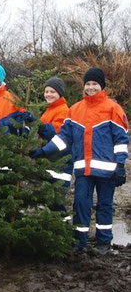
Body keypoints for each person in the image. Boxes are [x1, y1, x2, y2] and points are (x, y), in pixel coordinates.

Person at [31, 68, 129, 254]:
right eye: (88, 84)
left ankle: (103, 242)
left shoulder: (113, 109)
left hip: (107, 171)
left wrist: (120, 165)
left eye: (94, 84)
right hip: (83, 169)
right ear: (84, 86)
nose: (90, 87)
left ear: (101, 86)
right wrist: (44, 151)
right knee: (80, 204)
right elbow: (63, 139)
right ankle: (79, 241)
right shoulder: (75, 110)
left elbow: (121, 140)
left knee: (105, 206)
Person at [39, 77, 73, 201]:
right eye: (46, 91)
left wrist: (38, 126)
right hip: (50, 160)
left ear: (60, 93)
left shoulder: (63, 110)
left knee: (57, 201)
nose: (48, 94)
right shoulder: (49, 109)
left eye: (52, 92)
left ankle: (63, 220)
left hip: (60, 162)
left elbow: (55, 132)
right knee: (49, 199)